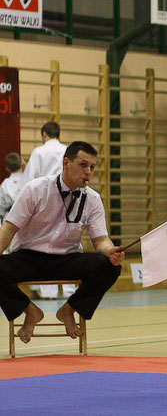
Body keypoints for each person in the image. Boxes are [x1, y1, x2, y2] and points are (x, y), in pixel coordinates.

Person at [0, 141, 123, 343]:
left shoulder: (93, 199)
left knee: (110, 266)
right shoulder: (35, 189)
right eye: (83, 165)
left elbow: (101, 240)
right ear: (66, 163)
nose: (88, 172)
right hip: (29, 259)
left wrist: (111, 251)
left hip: (67, 259)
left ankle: (69, 309)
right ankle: (30, 310)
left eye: (92, 167)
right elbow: (9, 228)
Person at [22, 121, 71, 299]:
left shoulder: (39, 152)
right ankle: (69, 289)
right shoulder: (67, 151)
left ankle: (48, 291)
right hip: (66, 199)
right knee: (66, 243)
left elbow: (29, 179)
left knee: (44, 245)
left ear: (44, 134)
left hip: (43, 200)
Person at [0, 152, 25, 222]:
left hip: (10, 218)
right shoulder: (28, 180)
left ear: (7, 168)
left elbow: (1, 207)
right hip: (26, 217)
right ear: (22, 164)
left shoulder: (5, 184)